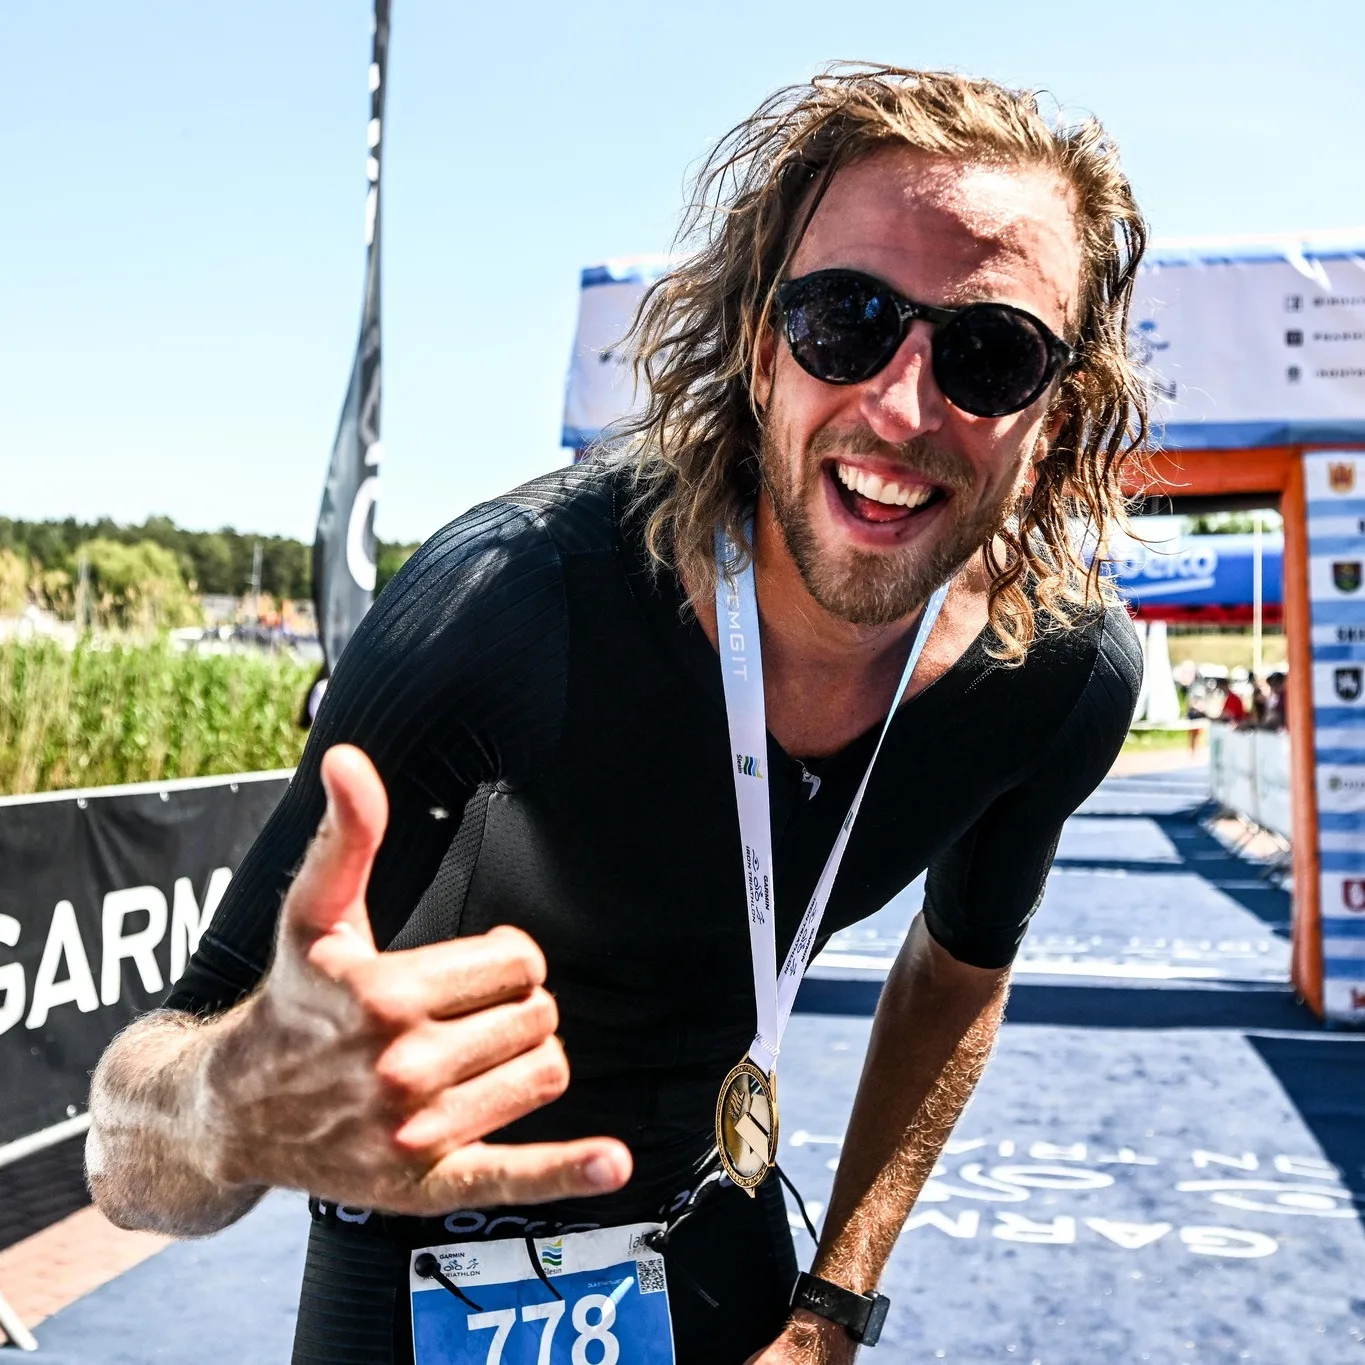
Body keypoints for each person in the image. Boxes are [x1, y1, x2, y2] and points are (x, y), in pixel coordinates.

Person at [86, 67, 1145, 1365]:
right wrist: (229, 1109)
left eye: (992, 354)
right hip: (418, 1251)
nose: (901, 406)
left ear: (1056, 416)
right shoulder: (509, 606)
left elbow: (959, 976)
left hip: (716, 1224)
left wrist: (834, 1305)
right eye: (845, 322)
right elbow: (128, 1152)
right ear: (760, 348)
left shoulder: (1059, 674)